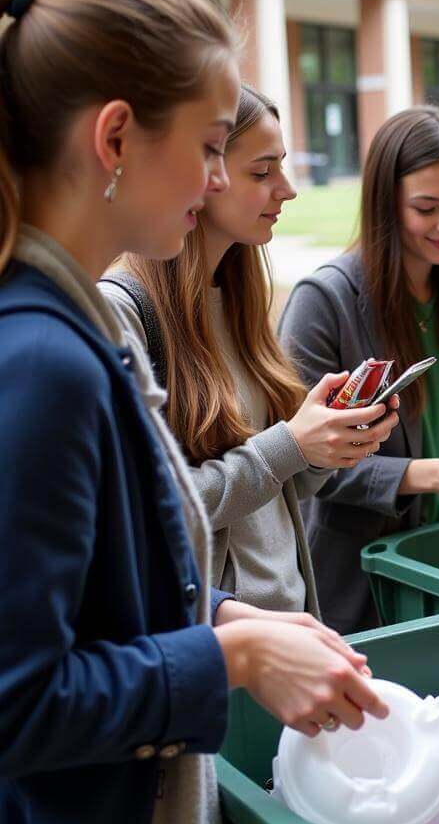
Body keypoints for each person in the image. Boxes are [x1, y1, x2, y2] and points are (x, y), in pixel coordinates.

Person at [0, 0, 386, 824]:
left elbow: (101, 589)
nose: (225, 180)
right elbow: (18, 700)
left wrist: (227, 618)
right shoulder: (39, 359)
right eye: (215, 148)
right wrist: (236, 662)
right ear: (117, 138)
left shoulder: (84, 323)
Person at [101, 83, 398, 617]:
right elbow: (156, 510)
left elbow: (276, 488)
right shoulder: (124, 312)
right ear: (203, 176)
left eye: (281, 166)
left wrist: (328, 441)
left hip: (292, 622)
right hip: (223, 642)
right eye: (261, 173)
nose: (287, 189)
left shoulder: (237, 293)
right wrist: (288, 443)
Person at [279, 106, 439, 634]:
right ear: (385, 204)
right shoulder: (324, 301)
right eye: (426, 207)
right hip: (355, 584)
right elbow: (304, 464)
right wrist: (435, 475)